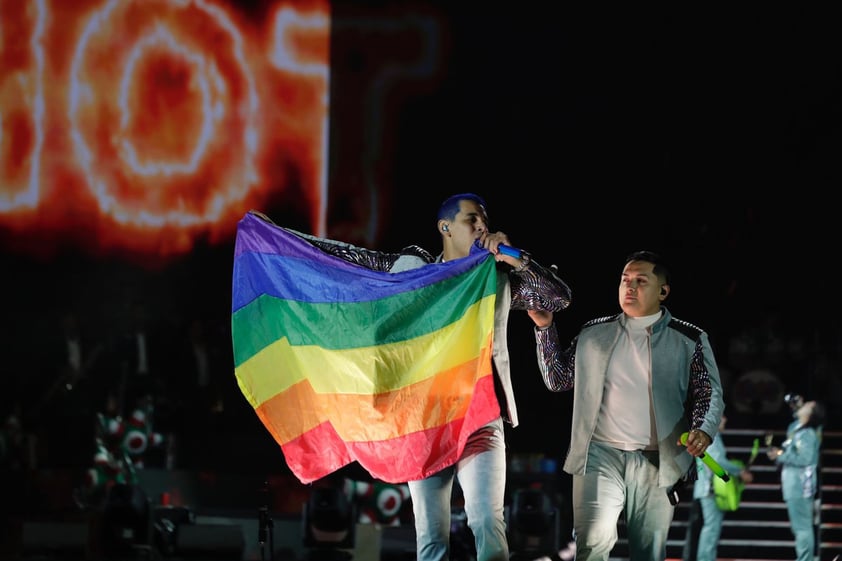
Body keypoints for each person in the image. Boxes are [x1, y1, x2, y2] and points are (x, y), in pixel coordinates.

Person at [290, 193, 572, 561]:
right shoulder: (415, 270)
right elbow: (351, 256)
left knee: (488, 521)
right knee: (432, 537)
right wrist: (284, 236)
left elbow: (557, 298)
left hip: (480, 418)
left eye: (485, 221)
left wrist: (512, 256)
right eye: (472, 219)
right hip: (425, 420)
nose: (482, 227)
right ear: (445, 227)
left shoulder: (496, 277)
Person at [527, 250, 725, 561]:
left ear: (663, 291)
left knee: (648, 552)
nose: (629, 287)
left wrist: (703, 429)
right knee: (591, 545)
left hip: (659, 460)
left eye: (640, 281)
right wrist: (544, 328)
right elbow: (559, 379)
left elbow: (709, 391)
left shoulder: (689, 338)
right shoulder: (594, 332)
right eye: (625, 280)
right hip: (598, 454)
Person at [681, 413, 753, 561]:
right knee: (711, 528)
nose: (725, 420)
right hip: (710, 489)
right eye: (722, 417)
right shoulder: (710, 439)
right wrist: (740, 471)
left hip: (706, 488)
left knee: (709, 527)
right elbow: (718, 462)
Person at [766, 398, 825, 561]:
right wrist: (779, 454)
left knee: (802, 528)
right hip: (793, 485)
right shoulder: (797, 429)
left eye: (807, 405)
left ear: (811, 413)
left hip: (800, 485)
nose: (803, 405)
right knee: (799, 528)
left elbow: (806, 458)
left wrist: (781, 455)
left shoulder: (808, 433)